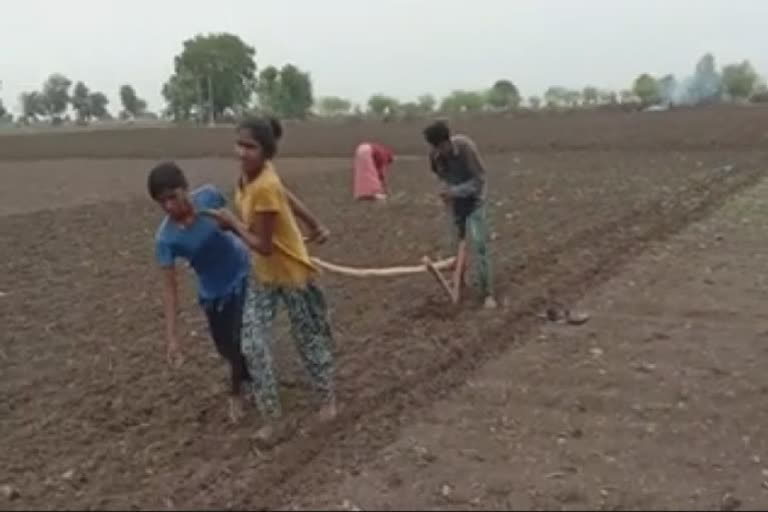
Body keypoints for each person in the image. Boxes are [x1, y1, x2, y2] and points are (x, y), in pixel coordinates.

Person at [204, 117, 338, 433]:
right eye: (240, 144)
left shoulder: (264, 186)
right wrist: (314, 223)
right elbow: (287, 196)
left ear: (266, 152)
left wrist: (232, 224)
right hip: (263, 277)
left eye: (250, 147)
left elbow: (263, 245)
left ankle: (328, 398)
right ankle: (271, 419)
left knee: (308, 339)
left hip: (291, 273)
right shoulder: (253, 178)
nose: (242, 152)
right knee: (252, 344)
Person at [148, 162, 280, 425]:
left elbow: (241, 222)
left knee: (241, 339)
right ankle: (248, 380)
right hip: (213, 293)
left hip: (242, 275)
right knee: (227, 349)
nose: (169, 206)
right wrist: (172, 337)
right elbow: (169, 289)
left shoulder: (210, 197)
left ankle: (238, 394)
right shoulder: (166, 239)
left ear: (185, 188)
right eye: (162, 202)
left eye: (173, 197)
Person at [423, 120, 497, 309]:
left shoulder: (465, 148)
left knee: (479, 245)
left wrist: (455, 191)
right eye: (435, 147)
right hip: (455, 204)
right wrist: (447, 193)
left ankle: (487, 293)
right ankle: (459, 285)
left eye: (441, 146)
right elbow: (441, 178)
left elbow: (479, 179)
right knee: (455, 247)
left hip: (474, 201)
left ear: (448, 141)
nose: (440, 151)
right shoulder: (435, 156)